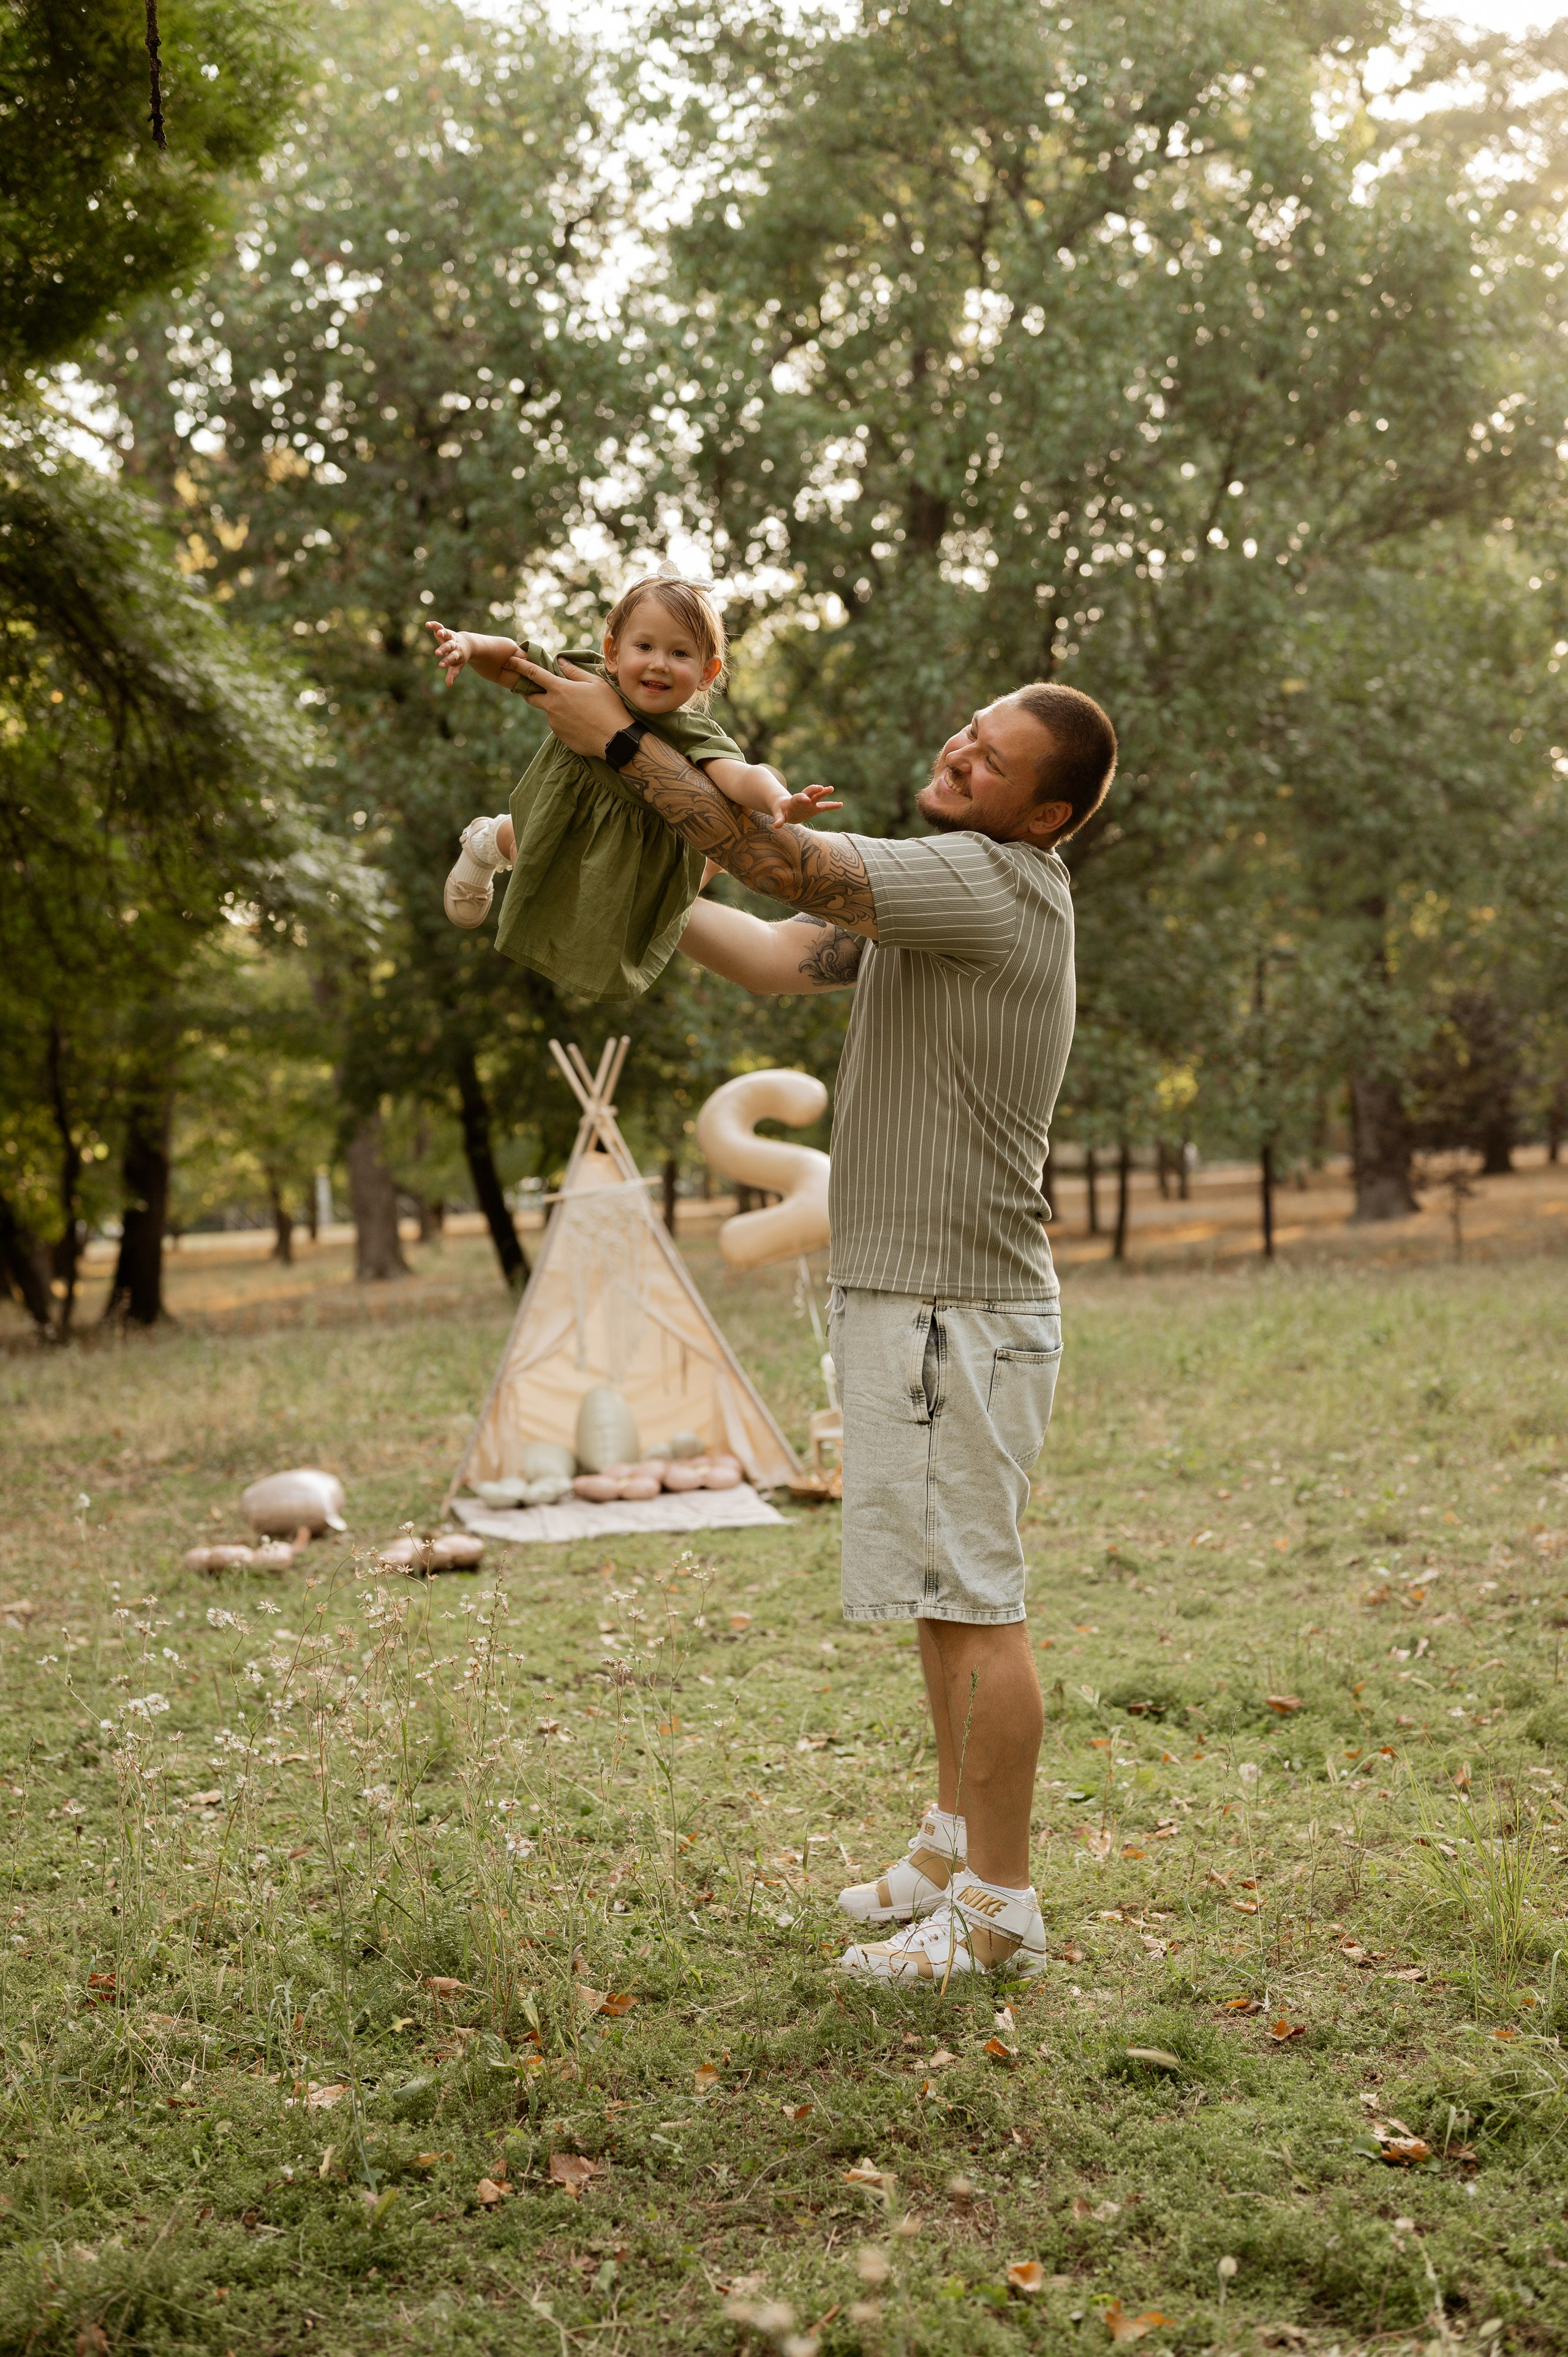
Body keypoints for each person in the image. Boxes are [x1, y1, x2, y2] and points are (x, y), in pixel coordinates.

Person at [511, 645, 1115, 1984]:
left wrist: (618, 741)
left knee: (974, 1594)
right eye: (967, 729)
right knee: (931, 1588)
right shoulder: (946, 889)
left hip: (959, 1304)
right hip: (911, 1293)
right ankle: (954, 1843)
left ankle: (1001, 1907)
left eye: (993, 760)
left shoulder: (988, 879)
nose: (960, 752)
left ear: (1042, 817)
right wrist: (603, 882)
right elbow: (784, 950)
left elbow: (784, 865)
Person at [425, 571, 839, 1002]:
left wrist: (778, 798)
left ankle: (498, 839)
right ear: (613, 652)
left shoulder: (692, 733)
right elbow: (514, 661)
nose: (659, 663)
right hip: (563, 820)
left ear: (706, 671)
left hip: (634, 859)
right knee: (532, 851)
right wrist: (469, 645)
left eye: (680, 653)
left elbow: (739, 774)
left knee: (612, 923)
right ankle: (486, 840)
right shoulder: (586, 683)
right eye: (645, 647)